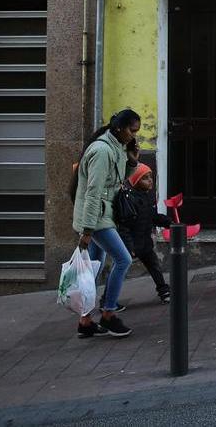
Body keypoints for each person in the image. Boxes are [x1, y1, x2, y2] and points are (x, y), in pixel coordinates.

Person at [70, 109, 141, 338]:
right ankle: (109, 314)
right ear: (119, 128)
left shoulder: (116, 147)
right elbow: (93, 192)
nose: (133, 135)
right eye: (132, 130)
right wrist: (88, 230)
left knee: (94, 266)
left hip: (101, 215)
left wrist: (132, 162)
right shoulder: (102, 151)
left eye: (136, 132)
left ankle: (85, 320)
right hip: (96, 218)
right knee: (123, 259)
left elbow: (116, 180)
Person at [118, 163, 173, 304]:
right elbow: (124, 227)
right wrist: (129, 246)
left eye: (150, 177)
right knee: (119, 270)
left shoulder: (147, 197)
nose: (150, 180)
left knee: (154, 266)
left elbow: (153, 216)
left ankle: (164, 291)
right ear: (136, 181)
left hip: (145, 243)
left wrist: (170, 223)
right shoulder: (129, 199)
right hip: (133, 244)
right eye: (145, 178)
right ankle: (106, 300)